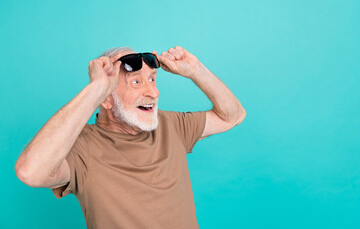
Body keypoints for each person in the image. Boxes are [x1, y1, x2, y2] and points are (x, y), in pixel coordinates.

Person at [15, 46, 246, 228]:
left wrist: (197, 71)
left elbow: (232, 116)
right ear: (106, 98)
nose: (153, 93)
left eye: (153, 79)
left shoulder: (170, 125)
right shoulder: (82, 148)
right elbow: (30, 171)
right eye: (136, 81)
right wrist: (96, 89)